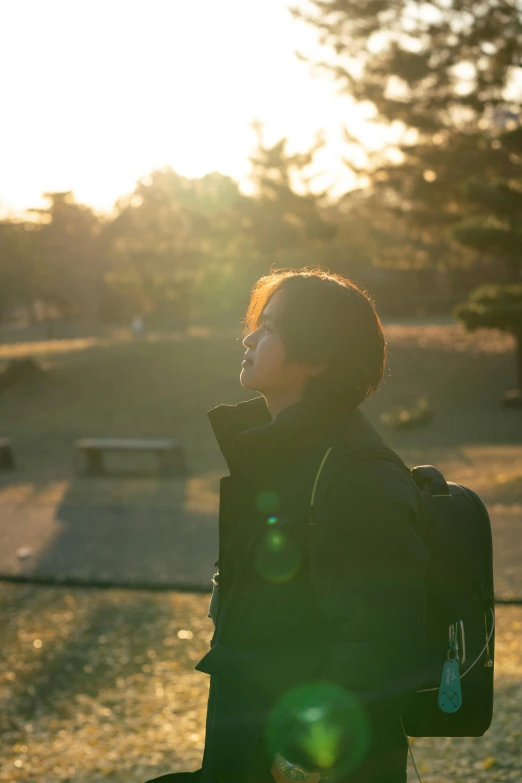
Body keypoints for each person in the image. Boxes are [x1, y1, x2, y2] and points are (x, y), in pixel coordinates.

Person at [147, 267, 430, 783]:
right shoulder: (278, 456)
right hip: (253, 732)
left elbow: (385, 638)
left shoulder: (355, 474)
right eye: (258, 324)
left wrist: (307, 757)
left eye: (271, 328)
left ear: (318, 358)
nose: (249, 337)